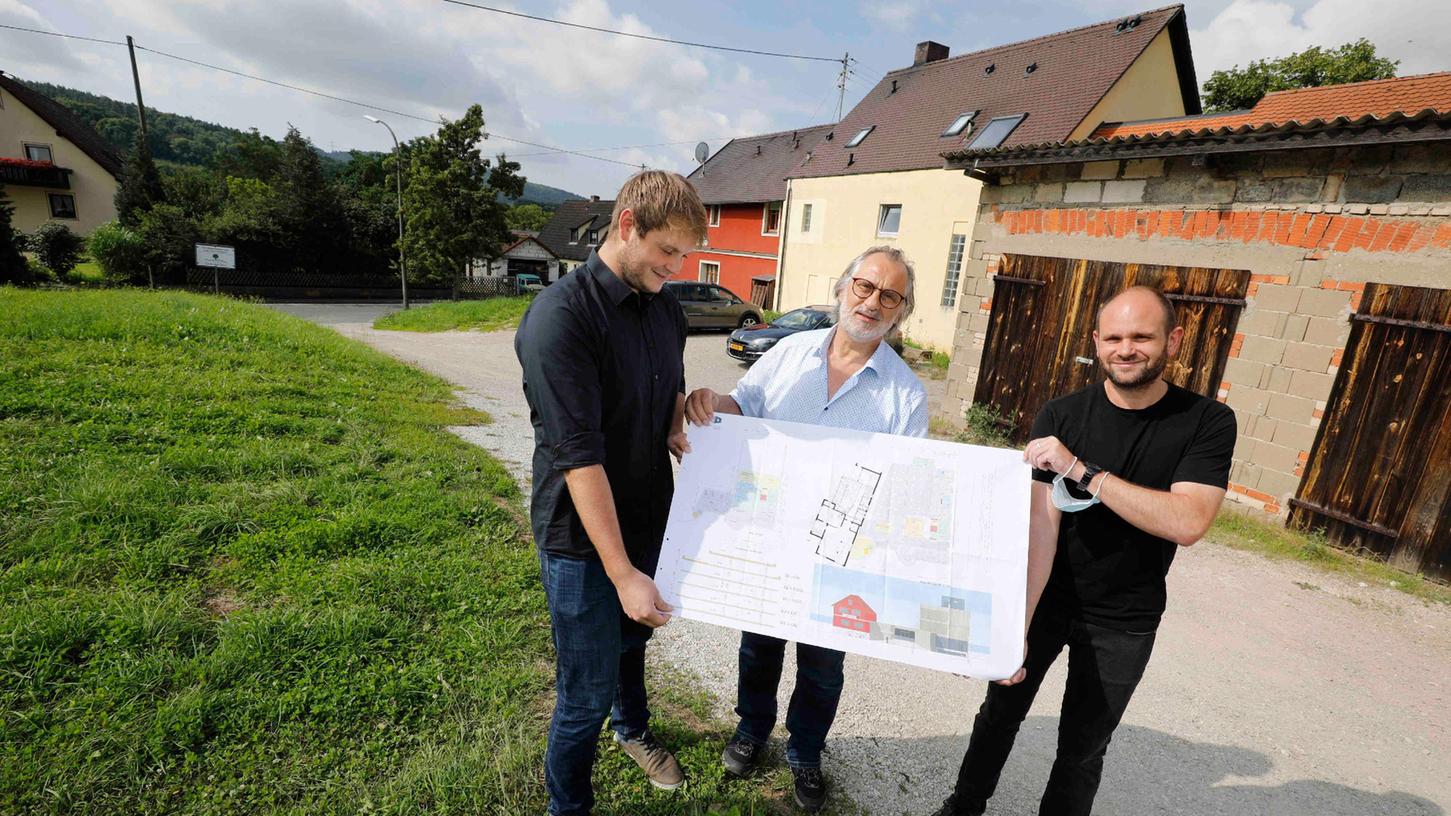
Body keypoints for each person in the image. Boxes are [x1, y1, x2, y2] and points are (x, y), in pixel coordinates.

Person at [927, 286, 1237, 816]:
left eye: (1142, 336)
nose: (1126, 348)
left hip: (1125, 618)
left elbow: (1186, 522)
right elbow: (1039, 527)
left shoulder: (1207, 421)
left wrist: (1082, 471)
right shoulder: (1062, 414)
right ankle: (964, 806)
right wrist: (1015, 627)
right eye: (1114, 337)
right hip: (1048, 598)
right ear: (1096, 342)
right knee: (998, 713)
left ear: (1173, 342)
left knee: (1082, 750)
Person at [683, 246, 929, 812]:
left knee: (823, 665)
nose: (873, 302)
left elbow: (906, 482)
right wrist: (709, 403)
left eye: (890, 295)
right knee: (759, 646)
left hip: (844, 551)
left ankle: (807, 751)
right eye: (865, 287)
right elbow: (742, 405)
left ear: (901, 311)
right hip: (769, 536)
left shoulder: (905, 393)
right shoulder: (788, 352)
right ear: (843, 288)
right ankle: (752, 729)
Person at [514, 170, 708, 816]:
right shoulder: (560, 317)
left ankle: (632, 732)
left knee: (632, 645)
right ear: (627, 226)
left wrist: (683, 418)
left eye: (684, 257)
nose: (675, 269)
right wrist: (620, 572)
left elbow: (664, 394)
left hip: (650, 517)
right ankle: (567, 806)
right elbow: (579, 458)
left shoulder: (664, 307)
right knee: (583, 694)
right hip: (582, 541)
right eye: (667, 252)